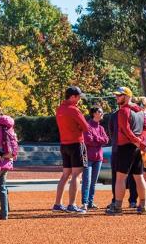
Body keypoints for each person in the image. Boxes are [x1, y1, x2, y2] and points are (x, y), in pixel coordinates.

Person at [105, 87, 146, 215]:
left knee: (120, 178)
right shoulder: (140, 111)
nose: (117, 97)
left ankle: (118, 208)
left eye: (120, 95)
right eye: (117, 95)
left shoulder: (123, 111)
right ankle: (143, 207)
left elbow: (126, 130)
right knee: (139, 177)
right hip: (137, 148)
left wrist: (137, 141)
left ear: (127, 96)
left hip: (125, 147)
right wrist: (140, 142)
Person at [53, 86, 90, 214]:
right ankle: (72, 204)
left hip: (64, 144)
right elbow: (86, 127)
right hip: (76, 144)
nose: (80, 99)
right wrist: (79, 128)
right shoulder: (74, 110)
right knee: (76, 175)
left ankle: (57, 204)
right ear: (73, 97)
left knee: (65, 175)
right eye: (79, 97)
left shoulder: (60, 109)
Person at [81, 107, 109, 210]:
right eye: (100, 112)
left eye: (102, 112)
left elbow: (106, 140)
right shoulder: (87, 126)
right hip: (88, 157)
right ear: (94, 113)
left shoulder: (101, 128)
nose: (102, 113)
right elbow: (88, 140)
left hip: (98, 158)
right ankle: (84, 202)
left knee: (93, 182)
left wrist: (96, 139)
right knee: (86, 181)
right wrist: (99, 140)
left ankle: (90, 202)